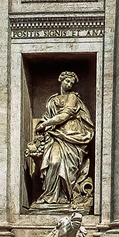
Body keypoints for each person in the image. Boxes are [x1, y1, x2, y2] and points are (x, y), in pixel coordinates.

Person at [31, 72, 94, 209]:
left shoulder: (72, 97)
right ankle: (50, 196)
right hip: (55, 136)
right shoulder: (52, 99)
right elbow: (48, 116)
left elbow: (64, 116)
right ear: (61, 81)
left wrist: (44, 125)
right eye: (67, 81)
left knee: (68, 168)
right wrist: (43, 124)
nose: (69, 84)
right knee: (54, 162)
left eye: (71, 83)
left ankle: (65, 197)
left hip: (72, 135)